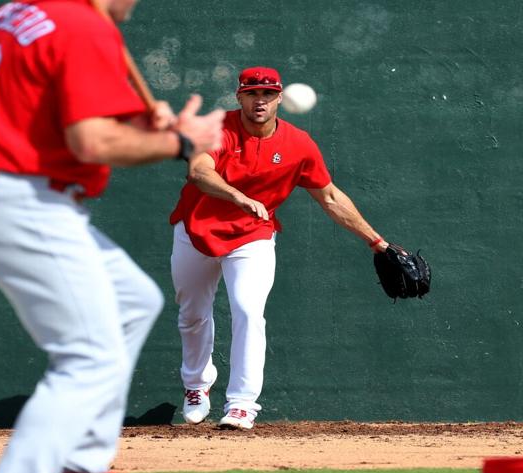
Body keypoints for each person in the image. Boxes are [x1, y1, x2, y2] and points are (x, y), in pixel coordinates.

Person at [0, 0, 225, 473]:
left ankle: (81, 468)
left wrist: (148, 123)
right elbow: (92, 142)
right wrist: (179, 141)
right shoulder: (82, 24)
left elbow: (50, 112)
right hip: (19, 198)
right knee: (88, 356)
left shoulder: (22, 14)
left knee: (135, 302)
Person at [167, 66, 398, 430]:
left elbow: (331, 196)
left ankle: (242, 404)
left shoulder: (298, 144)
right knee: (192, 314)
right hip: (196, 230)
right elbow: (199, 171)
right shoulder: (215, 129)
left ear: (279, 98)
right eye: (252, 93)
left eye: (268, 94)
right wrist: (239, 197)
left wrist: (377, 242)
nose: (260, 100)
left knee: (248, 311)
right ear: (239, 96)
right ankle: (196, 386)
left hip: (253, 236)